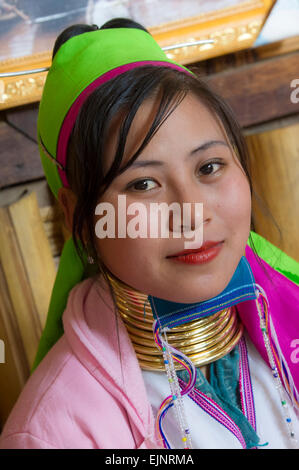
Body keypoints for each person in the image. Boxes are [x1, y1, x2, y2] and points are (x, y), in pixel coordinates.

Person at [0, 18, 298, 450]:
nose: (191, 213)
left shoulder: (282, 321)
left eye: (209, 167)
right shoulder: (56, 433)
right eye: (143, 184)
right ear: (76, 215)